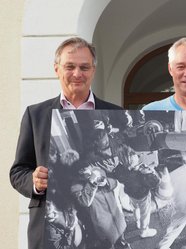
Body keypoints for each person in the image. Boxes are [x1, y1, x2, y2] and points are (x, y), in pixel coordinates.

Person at [9, 37, 125, 249]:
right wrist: (34, 181)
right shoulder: (36, 114)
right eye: (69, 66)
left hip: (100, 205)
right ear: (56, 69)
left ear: (93, 71)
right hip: (55, 219)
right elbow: (18, 172)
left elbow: (117, 158)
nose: (77, 74)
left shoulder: (114, 113)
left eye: (84, 67)